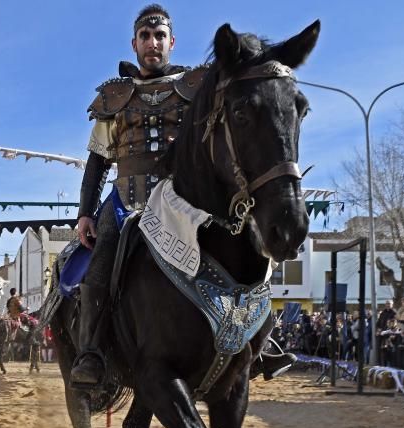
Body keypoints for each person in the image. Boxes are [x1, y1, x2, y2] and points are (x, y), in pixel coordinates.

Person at [69, 5, 293, 386]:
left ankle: (260, 341)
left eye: (159, 36)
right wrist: (86, 214)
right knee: (99, 264)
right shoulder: (113, 98)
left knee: (246, 244)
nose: (152, 43)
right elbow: (96, 164)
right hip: (126, 201)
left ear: (171, 42)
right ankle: (90, 352)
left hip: (183, 200)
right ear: (134, 43)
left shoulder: (198, 88)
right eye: (145, 36)